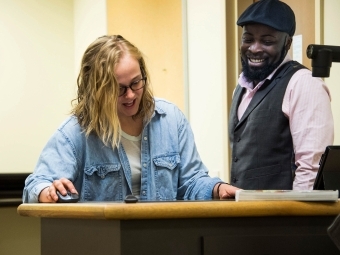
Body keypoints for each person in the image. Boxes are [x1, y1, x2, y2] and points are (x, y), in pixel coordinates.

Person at [23, 35, 238, 203]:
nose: (131, 95)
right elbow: (36, 184)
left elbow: (192, 182)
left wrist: (217, 188)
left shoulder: (171, 120)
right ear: (97, 91)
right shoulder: (75, 133)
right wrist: (47, 191)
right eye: (119, 89)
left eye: (136, 82)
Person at [228, 0, 334, 190]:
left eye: (267, 41)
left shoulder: (303, 83)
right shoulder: (241, 86)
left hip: (283, 216)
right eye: (248, 39)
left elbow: (310, 169)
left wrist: (296, 216)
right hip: (245, 213)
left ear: (287, 43)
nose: (255, 48)